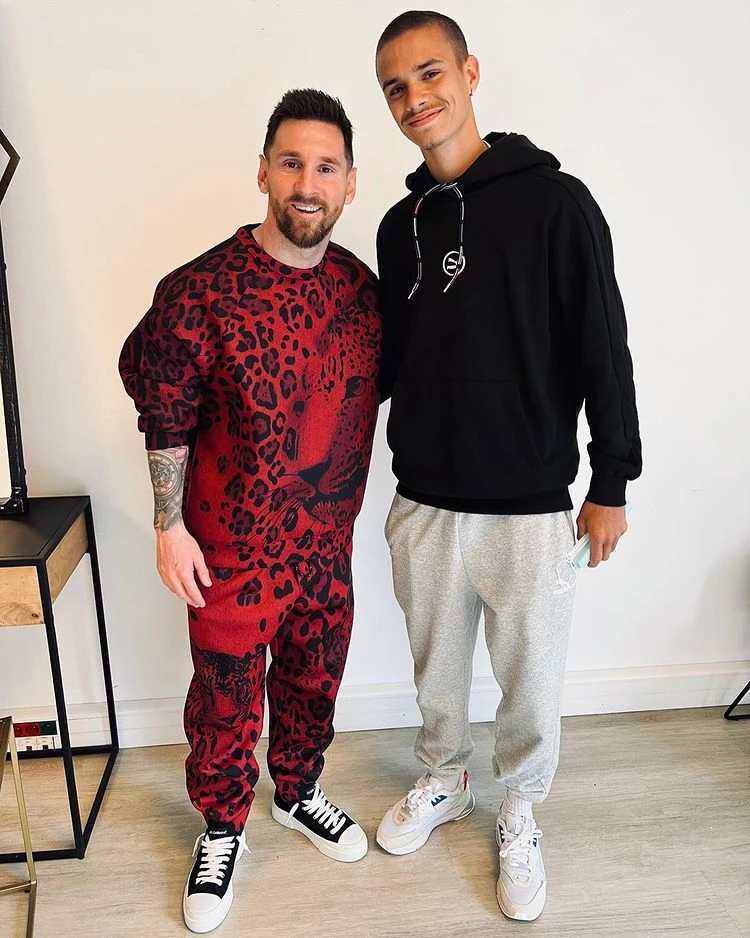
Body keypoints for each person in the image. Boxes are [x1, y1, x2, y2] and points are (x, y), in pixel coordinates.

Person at [373, 11, 641, 922]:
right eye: (396, 87)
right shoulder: (398, 227)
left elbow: (602, 345)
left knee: (532, 680)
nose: (416, 98)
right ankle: (445, 778)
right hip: (424, 499)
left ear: (470, 72)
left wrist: (611, 481)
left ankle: (520, 808)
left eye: (430, 73)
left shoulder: (555, 203)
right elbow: (387, 362)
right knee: (436, 672)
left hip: (530, 500)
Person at [119, 88, 381, 934]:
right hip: (229, 550)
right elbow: (162, 407)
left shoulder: (364, 294)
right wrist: (168, 526)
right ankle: (222, 827)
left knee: (314, 680)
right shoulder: (200, 290)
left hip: (325, 550)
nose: (308, 183)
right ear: (264, 171)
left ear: (350, 184)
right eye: (292, 163)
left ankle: (297, 792)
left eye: (327, 167)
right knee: (225, 702)